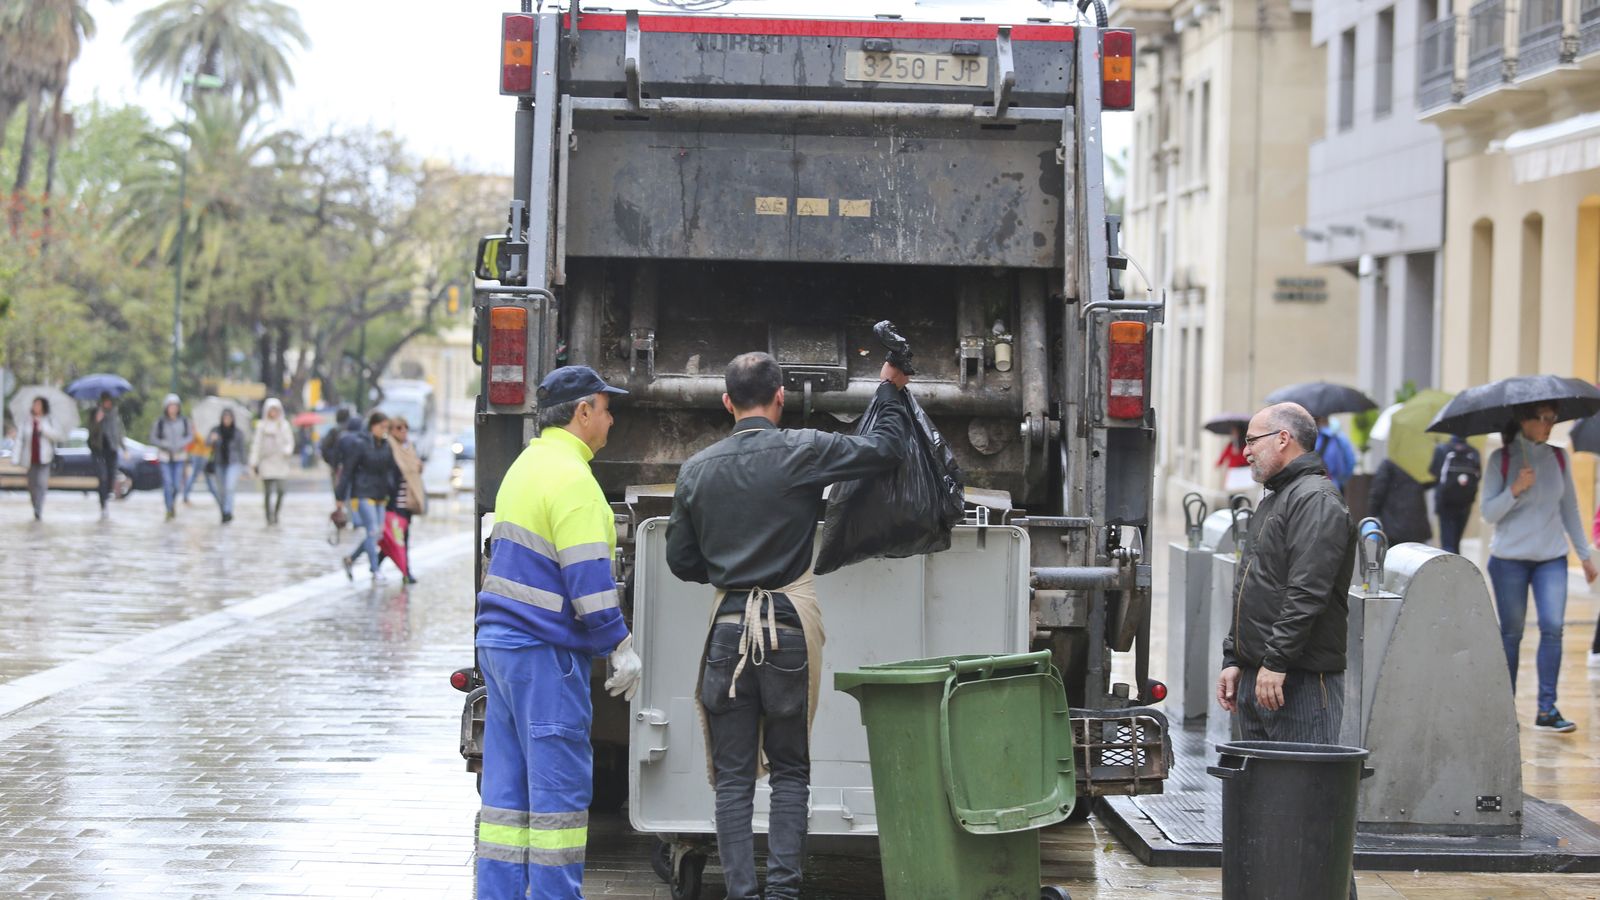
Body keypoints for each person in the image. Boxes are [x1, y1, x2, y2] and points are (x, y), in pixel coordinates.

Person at [665, 352, 913, 900]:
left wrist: (730, 570)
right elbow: (886, 451)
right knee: (790, 774)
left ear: (727, 403)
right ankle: (782, 895)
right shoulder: (804, 449)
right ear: (780, 398)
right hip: (787, 634)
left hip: (727, 634)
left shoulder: (696, 470)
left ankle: (742, 894)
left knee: (731, 782)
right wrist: (890, 391)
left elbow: (680, 562)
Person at [474, 366, 642, 899]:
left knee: (505, 799)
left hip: (500, 647)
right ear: (582, 411)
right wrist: (620, 645)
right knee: (557, 806)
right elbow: (589, 583)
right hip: (543, 655)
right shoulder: (574, 480)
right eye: (606, 407)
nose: (611, 419)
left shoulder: (524, 466)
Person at [1217, 402, 1356, 745]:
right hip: (1260, 676)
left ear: (1283, 439)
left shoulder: (1316, 500)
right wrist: (1234, 657)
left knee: (1303, 791)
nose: (1245, 451)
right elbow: (1252, 586)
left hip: (1297, 681)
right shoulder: (1275, 499)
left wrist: (1276, 663)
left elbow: (1307, 593)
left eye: (1252, 441)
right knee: (1260, 793)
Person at [1482, 403, 1597, 733]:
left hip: (1551, 558)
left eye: (1552, 419)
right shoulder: (1501, 459)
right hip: (1509, 560)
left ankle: (1547, 709)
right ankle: (1506, 708)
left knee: (1552, 627)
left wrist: (1584, 555)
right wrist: (1514, 490)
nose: (1549, 425)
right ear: (1524, 421)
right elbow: (1489, 513)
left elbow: (1570, 508)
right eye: (1543, 419)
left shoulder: (1559, 458)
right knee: (1512, 633)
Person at [337, 412, 398, 583]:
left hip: (380, 494)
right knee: (372, 530)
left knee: (377, 534)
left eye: (387, 428)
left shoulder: (386, 445)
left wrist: (391, 493)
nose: (384, 431)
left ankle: (350, 559)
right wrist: (340, 496)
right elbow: (347, 470)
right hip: (362, 493)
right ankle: (375, 570)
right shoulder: (360, 444)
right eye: (382, 427)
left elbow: (390, 470)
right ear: (373, 426)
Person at [381, 415, 426, 583]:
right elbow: (392, 473)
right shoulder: (389, 448)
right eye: (399, 428)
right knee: (398, 539)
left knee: (396, 540)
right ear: (392, 431)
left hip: (408, 501)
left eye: (405, 427)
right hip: (394, 502)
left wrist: (418, 467)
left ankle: (375, 566)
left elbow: (414, 470)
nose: (403, 431)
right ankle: (406, 573)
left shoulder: (409, 448)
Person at [13, 396, 64, 521]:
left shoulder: (49, 420)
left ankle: (38, 510)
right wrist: (16, 456)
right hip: (30, 458)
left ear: (43, 407)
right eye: (35, 404)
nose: (36, 407)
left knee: (41, 483)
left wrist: (44, 430)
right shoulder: (26, 420)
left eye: (39, 405)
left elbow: (58, 435)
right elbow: (20, 439)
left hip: (45, 458)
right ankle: (35, 505)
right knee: (32, 485)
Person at [1429, 434, 1480, 554]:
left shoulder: (1442, 449)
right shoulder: (1473, 452)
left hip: (1445, 502)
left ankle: (1448, 570)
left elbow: (1434, 472)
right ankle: (1457, 568)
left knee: (1447, 542)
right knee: (1456, 542)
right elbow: (1478, 476)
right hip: (1465, 503)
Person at [1367, 457, 1431, 547]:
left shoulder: (1389, 463)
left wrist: (1372, 514)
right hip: (1417, 521)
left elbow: (1378, 491)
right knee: (1416, 556)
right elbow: (1430, 482)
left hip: (1393, 522)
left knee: (1395, 556)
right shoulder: (1417, 464)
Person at [148, 394, 193, 521]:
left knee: (177, 485)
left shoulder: (184, 421)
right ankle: (168, 508)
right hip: (165, 457)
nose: (173, 409)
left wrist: (181, 444)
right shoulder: (160, 422)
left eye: (175, 406)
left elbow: (190, 436)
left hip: (179, 456)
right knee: (167, 483)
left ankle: (172, 503)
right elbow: (153, 438)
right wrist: (164, 444)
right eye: (170, 406)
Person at [252, 399, 295, 525]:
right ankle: (268, 516)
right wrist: (254, 461)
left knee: (281, 490)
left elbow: (290, 442)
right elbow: (256, 444)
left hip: (280, 461)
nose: (273, 412)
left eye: (275, 410)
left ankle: (276, 513)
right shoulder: (262, 425)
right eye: (271, 410)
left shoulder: (284, 425)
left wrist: (287, 451)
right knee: (268, 492)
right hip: (266, 461)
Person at [86, 391, 124, 520]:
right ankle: (103, 504)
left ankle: (106, 498)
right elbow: (91, 433)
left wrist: (124, 447)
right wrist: (97, 421)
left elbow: (119, 432)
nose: (107, 403)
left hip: (112, 451)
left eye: (109, 401)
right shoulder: (94, 414)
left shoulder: (115, 414)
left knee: (110, 478)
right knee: (102, 477)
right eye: (105, 401)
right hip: (98, 450)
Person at [207, 409, 249, 524]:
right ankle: (223, 511)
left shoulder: (237, 432)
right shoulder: (215, 430)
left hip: (233, 463)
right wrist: (212, 439)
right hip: (219, 463)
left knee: (229, 488)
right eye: (225, 418)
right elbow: (207, 444)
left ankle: (227, 511)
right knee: (221, 490)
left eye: (229, 418)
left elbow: (242, 450)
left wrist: (245, 466)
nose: (227, 420)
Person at [1314, 415, 1357, 493]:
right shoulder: (1339, 438)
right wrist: (1341, 481)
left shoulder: (1308, 438)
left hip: (1311, 486)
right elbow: (1350, 461)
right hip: (1334, 485)